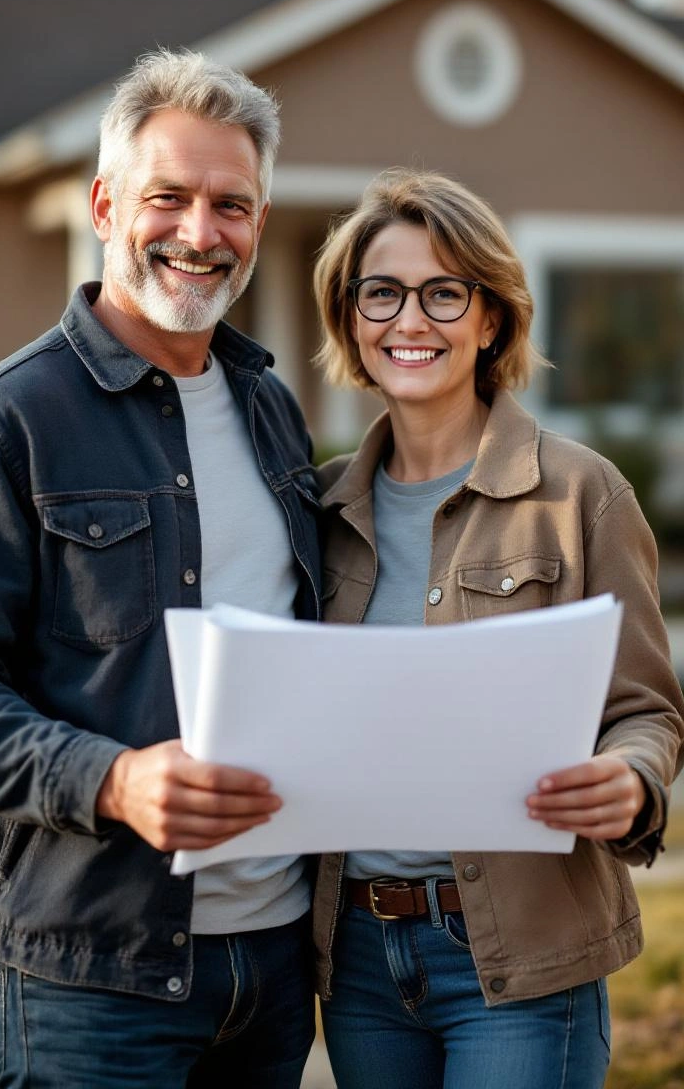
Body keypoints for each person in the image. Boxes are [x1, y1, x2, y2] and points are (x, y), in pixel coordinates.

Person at [0, 49, 322, 1089]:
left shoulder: (273, 412)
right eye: (168, 197)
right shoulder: (1, 425)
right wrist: (111, 779)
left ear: (259, 224)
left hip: (274, 959)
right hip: (89, 970)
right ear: (105, 205)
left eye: (230, 204)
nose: (200, 232)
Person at [311, 168, 684, 1089]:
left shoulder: (579, 494)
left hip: (521, 959)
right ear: (352, 319)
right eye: (383, 292)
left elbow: (647, 711)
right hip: (357, 958)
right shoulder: (317, 508)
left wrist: (630, 782)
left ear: (490, 319)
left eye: (445, 292)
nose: (411, 320)